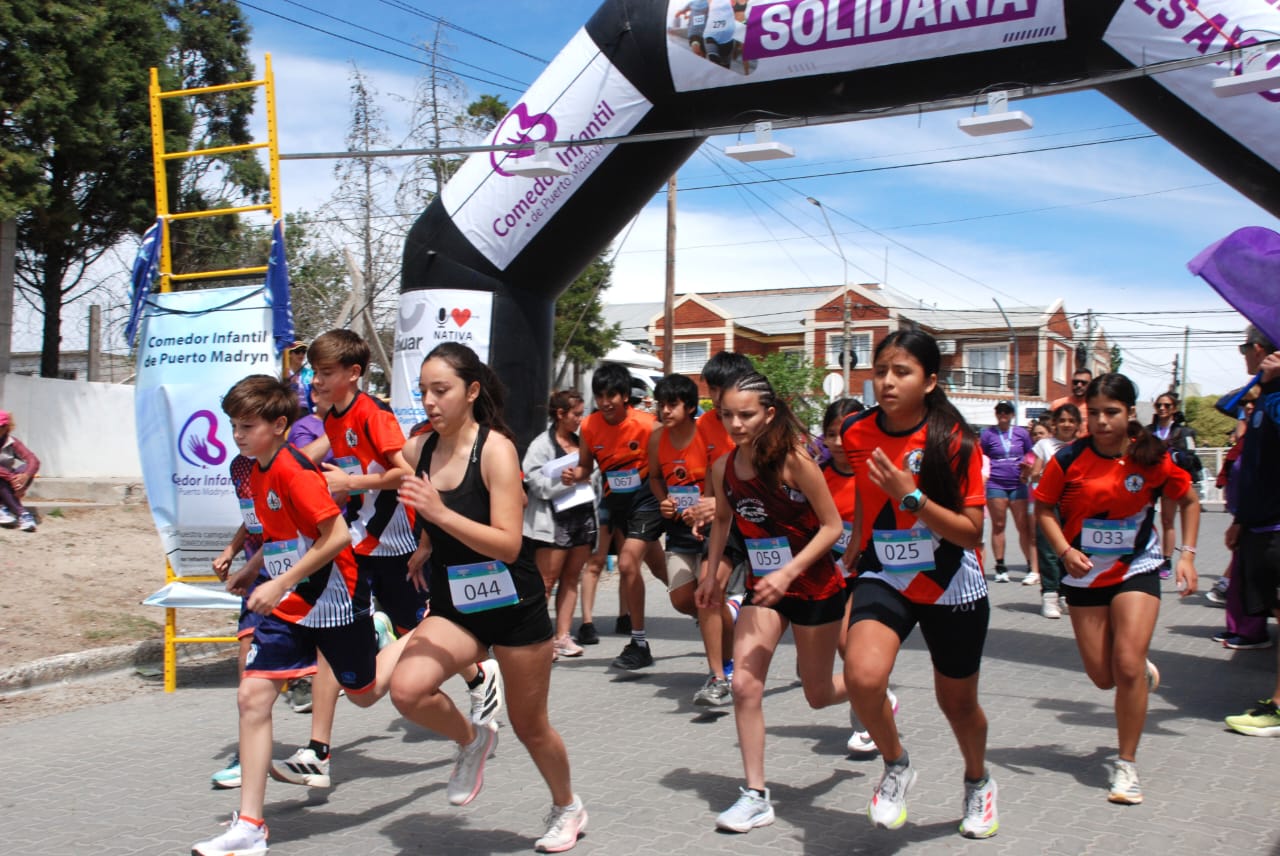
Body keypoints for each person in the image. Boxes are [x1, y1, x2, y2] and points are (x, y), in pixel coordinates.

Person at [193, 375, 408, 856]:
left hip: (334, 598)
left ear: (279, 425)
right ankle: (250, 825)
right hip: (291, 601)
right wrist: (253, 569)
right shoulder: (257, 470)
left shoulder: (295, 471)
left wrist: (278, 581)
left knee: (366, 694)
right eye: (234, 426)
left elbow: (336, 537)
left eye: (247, 426)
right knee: (252, 696)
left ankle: (413, 635)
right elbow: (279, 536)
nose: (237, 435)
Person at [390, 342, 585, 852]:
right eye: (423, 391)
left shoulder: (496, 450)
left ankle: (567, 805)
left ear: (472, 391)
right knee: (407, 690)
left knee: (530, 726)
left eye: (441, 390)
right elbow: (398, 474)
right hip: (456, 604)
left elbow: (508, 544)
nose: (429, 401)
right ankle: (471, 738)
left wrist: (438, 515)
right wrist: (425, 539)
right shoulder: (419, 449)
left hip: (514, 607)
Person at [268, 329, 442, 791]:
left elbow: (406, 473)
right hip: (356, 544)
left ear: (354, 373)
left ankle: (478, 671)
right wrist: (284, 466)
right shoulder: (331, 416)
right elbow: (315, 457)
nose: (316, 381)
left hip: (394, 543)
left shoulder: (374, 415)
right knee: (331, 634)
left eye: (326, 373)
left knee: (423, 626)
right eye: (314, 372)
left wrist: (351, 485)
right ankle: (318, 751)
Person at [840, 329, 997, 839]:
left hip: (950, 579)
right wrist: (856, 540)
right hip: (885, 569)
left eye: (901, 372)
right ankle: (896, 765)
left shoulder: (956, 441)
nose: (887, 381)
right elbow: (865, 489)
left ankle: (978, 781)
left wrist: (911, 498)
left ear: (929, 381)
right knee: (863, 677)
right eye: (881, 371)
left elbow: (971, 532)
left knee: (958, 704)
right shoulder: (856, 431)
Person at [1035, 372, 1199, 804]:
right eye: (1094, 414)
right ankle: (1139, 673)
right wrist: (1064, 550)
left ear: (1130, 412)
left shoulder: (1151, 457)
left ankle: (1126, 765)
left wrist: (1186, 554)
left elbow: (1189, 499)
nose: (1102, 422)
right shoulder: (1068, 459)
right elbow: (1044, 508)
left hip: (1136, 568)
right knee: (1103, 677)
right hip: (1084, 573)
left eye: (1112, 412)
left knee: (1125, 665)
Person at [695, 372, 848, 833]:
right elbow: (723, 522)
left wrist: (789, 571)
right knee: (744, 686)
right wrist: (711, 575)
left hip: (815, 587)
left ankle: (869, 688)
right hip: (765, 591)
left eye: (746, 415)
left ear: (769, 413)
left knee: (817, 695)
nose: (736, 424)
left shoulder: (794, 462)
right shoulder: (723, 467)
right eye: (727, 415)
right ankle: (755, 795)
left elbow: (832, 527)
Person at [565, 363, 664, 671]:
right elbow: (586, 466)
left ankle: (638, 643)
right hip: (616, 504)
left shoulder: (648, 425)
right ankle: (703, 605)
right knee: (662, 571)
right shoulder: (590, 426)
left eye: (612, 396)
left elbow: (670, 460)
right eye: (600, 396)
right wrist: (575, 474)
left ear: (624, 396)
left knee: (627, 563)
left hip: (646, 500)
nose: (605, 402)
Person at [820, 397, 904, 755]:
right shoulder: (818, 474)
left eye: (845, 434)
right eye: (831, 434)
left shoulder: (878, 471)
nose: (839, 442)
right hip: (831, 571)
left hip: (874, 568)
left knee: (849, 644)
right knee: (838, 654)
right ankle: (877, 699)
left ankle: (867, 722)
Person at [648, 373, 736, 706]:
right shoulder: (657, 439)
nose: (665, 411)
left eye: (672, 404)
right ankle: (728, 615)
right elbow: (655, 477)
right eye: (661, 404)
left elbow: (718, 477)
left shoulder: (706, 433)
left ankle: (719, 674)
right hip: (678, 531)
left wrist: (708, 506)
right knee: (682, 599)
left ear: (689, 407)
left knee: (706, 595)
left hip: (712, 527)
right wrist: (664, 502)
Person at [1223, 325, 1280, 737]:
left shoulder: (1275, 400)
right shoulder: (1264, 395)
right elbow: (1228, 404)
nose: (1242, 355)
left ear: (1258, 348)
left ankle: (1278, 707)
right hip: (1259, 524)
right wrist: (1241, 519)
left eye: (1245, 347)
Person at [523, 389, 596, 659]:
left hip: (582, 517)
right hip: (552, 521)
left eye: (582, 413)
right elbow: (533, 480)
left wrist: (585, 476)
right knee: (545, 581)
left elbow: (595, 472)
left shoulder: (583, 441)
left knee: (571, 578)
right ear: (560, 414)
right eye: (576, 414)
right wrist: (563, 483)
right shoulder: (541, 445)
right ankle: (540, 639)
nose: (580, 419)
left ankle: (562, 636)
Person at [1027, 404, 1081, 619]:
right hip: (1049, 502)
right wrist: (1045, 474)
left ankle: (1065, 594)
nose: (1067, 424)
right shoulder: (1045, 444)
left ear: (1078, 424)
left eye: (1071, 420)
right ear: (1054, 423)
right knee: (1048, 548)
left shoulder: (1083, 446)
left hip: (1075, 503)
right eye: (1062, 420)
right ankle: (1049, 595)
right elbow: (1034, 473)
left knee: (1071, 547)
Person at [979, 401, 1036, 583]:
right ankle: (1000, 566)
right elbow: (982, 456)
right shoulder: (988, 434)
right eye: (1000, 411)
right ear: (996, 414)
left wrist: (1027, 468)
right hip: (996, 484)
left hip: (1018, 485)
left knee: (1022, 526)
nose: (1003, 414)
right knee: (999, 525)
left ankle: (1031, 565)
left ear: (1012, 414)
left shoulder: (1021, 433)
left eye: (1007, 411)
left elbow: (1030, 454)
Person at [1149, 392, 1201, 580]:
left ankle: (1167, 560)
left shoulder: (1183, 432)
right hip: (1149, 480)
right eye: (1159, 405)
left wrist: (1176, 456)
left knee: (1167, 520)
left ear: (1174, 409)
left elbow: (1191, 456)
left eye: (1167, 405)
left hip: (1171, 480)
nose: (1162, 409)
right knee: (1146, 518)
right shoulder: (1148, 430)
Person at [0, 410, 40, 532]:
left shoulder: (12, 442)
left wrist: (25, 477)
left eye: (1, 426)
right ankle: (22, 514)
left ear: (7, 427)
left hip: (7, 483)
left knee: (25, 469)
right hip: (4, 480)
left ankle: (3, 507)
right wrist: (11, 478)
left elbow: (33, 460)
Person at [1051, 368, 1092, 438]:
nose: (1079, 385)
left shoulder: (1094, 406)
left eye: (1083, 383)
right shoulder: (1057, 404)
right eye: (1076, 382)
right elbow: (1049, 428)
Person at [283, 340, 313, 412]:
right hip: (289, 410)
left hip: (306, 411)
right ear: (289, 354)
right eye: (297, 351)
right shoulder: (283, 373)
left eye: (303, 351)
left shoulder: (310, 373)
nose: (301, 354)